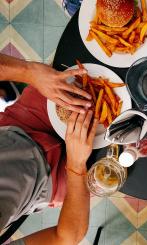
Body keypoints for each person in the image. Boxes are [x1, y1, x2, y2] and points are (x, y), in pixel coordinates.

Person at [0, 54, 92, 234]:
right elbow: (66, 237)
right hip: (51, 184)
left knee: (78, 69)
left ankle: (3, 93)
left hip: (17, 127)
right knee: (123, 157)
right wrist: (76, 165)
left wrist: (29, 72)